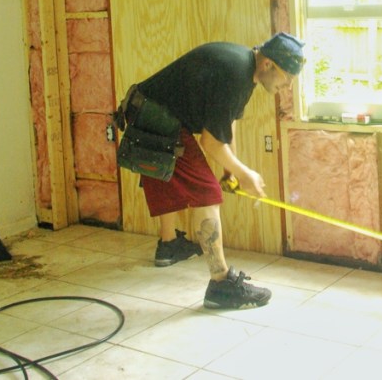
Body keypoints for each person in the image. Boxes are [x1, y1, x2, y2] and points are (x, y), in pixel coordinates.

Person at [127, 32, 305, 309]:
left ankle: (169, 245)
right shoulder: (235, 75)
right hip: (156, 117)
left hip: (151, 111)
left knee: (169, 177)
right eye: (288, 76)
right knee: (206, 193)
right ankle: (221, 285)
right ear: (269, 64)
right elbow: (209, 141)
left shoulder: (246, 70)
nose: (288, 85)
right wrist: (245, 173)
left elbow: (227, 122)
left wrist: (230, 168)